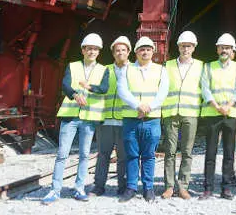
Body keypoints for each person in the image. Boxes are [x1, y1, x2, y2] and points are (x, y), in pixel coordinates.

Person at [42, 33, 110, 204]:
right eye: (89, 49)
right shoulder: (72, 66)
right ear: (83, 50)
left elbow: (104, 88)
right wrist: (74, 95)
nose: (92, 51)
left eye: (95, 49)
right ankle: (55, 190)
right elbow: (65, 85)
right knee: (62, 154)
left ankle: (79, 188)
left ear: (98, 51)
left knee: (85, 154)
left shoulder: (103, 70)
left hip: (89, 118)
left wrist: (90, 87)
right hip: (70, 117)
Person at [117, 36, 170, 202]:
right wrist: (138, 106)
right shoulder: (126, 69)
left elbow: (163, 93)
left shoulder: (161, 70)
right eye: (141, 49)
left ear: (153, 51)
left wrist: (149, 107)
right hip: (131, 119)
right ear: (136, 52)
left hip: (151, 119)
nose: (145, 52)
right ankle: (131, 187)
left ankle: (148, 188)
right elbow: (122, 91)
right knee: (131, 155)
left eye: (148, 49)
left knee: (149, 155)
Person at [200, 33, 236, 200]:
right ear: (217, 49)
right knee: (210, 152)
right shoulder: (208, 67)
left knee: (229, 153)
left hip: (230, 114)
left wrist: (228, 106)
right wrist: (217, 106)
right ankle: (208, 188)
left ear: (232, 50)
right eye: (222, 47)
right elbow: (205, 88)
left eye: (227, 47)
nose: (224, 50)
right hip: (213, 113)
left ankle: (226, 188)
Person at [160, 31, 204, 200]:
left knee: (187, 151)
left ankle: (183, 186)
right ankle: (169, 187)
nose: (186, 48)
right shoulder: (168, 66)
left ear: (194, 47)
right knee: (169, 151)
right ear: (178, 47)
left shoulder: (201, 66)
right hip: (171, 113)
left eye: (189, 46)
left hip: (190, 114)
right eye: (183, 45)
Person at [93, 36, 131, 197]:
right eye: (117, 50)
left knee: (123, 156)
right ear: (113, 53)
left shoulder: (134, 70)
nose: (120, 53)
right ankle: (98, 186)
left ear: (129, 52)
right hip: (105, 119)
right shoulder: (104, 70)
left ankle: (122, 186)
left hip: (125, 120)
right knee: (103, 154)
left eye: (123, 50)